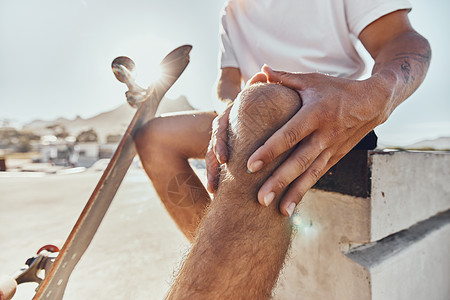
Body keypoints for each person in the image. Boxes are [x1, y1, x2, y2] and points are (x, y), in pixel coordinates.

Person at [135, 0, 431, 297]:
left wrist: (376, 98)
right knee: (155, 137)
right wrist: (229, 111)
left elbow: (403, 40)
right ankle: (230, 272)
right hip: (250, 114)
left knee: (260, 106)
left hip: (332, 114)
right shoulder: (232, 10)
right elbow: (226, 81)